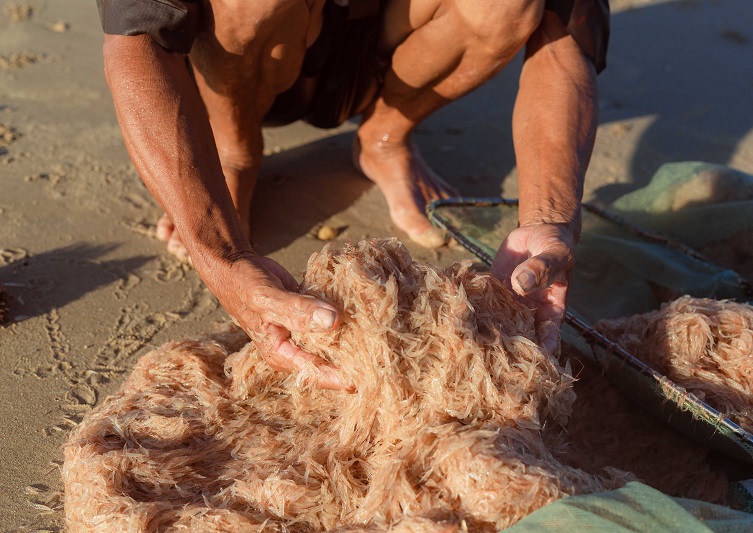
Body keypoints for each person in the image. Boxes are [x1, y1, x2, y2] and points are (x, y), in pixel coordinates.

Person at [97, 0, 609, 390]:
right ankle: (232, 150)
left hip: (386, 47)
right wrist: (220, 253)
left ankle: (387, 136)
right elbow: (137, 36)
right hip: (237, 52)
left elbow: (566, 34)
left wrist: (551, 217)